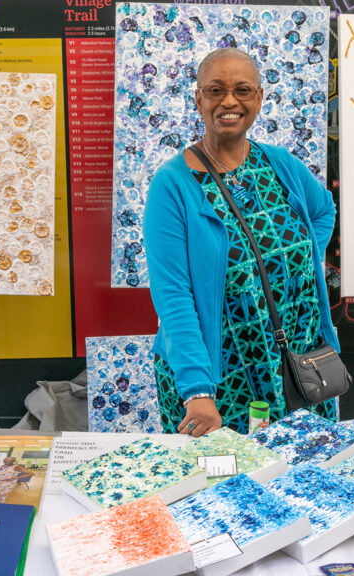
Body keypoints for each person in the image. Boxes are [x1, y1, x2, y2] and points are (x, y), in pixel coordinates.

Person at [143, 48, 340, 437]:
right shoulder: (173, 186)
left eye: (242, 90)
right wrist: (197, 389)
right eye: (215, 90)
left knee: (301, 480)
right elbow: (174, 296)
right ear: (198, 99)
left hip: (298, 362)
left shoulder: (281, 164)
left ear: (259, 99)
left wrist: (298, 260)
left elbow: (323, 210)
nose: (229, 101)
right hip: (221, 376)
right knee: (222, 486)